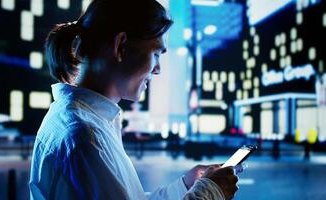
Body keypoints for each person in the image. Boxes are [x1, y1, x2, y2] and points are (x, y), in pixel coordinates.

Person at [29, 0, 239, 199]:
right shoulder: (85, 137)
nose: (158, 69)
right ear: (121, 46)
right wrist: (210, 192)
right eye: (156, 53)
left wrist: (185, 185)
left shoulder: (86, 122)